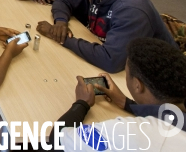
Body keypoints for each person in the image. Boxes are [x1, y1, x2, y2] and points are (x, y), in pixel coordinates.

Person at [37, 0, 177, 73]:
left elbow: (111, 60)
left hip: (157, 79)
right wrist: (61, 22)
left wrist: (58, 36)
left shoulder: (132, 10)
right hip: (120, 59)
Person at [53, 38, 186, 151]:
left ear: (137, 86)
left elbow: (57, 142)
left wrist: (82, 103)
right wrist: (126, 103)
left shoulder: (132, 133)